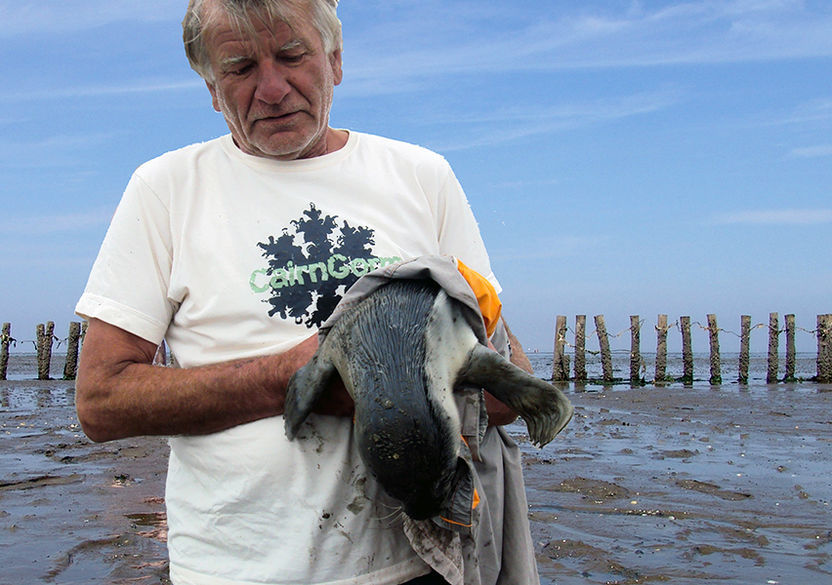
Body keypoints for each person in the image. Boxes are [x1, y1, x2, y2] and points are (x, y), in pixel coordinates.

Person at [75, 1, 540, 584]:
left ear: (335, 61)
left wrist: (403, 382)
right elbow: (100, 402)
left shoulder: (421, 176)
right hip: (235, 569)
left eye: (293, 56)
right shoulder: (165, 190)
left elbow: (505, 383)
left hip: (417, 565)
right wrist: (293, 378)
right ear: (212, 90)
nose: (271, 89)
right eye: (239, 68)